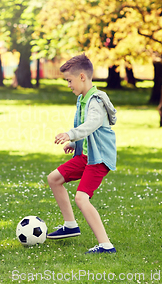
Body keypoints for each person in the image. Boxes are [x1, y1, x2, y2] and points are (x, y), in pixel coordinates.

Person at [46, 54, 117, 254]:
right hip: (86, 156)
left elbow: (91, 125)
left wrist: (70, 134)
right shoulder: (82, 99)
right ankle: (70, 225)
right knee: (54, 178)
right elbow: (85, 130)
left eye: (69, 80)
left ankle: (105, 245)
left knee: (81, 198)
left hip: (99, 159)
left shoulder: (95, 101)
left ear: (83, 77)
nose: (68, 84)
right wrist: (75, 142)